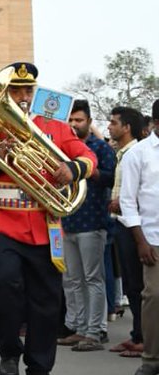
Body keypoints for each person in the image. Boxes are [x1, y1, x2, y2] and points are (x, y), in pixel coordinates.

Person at [0, 62, 97, 375]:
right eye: (17, 90)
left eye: (28, 90)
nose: (24, 97)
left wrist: (72, 168)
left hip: (44, 224)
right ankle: (9, 349)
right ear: (6, 92)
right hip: (0, 221)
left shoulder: (54, 125)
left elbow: (87, 156)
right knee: (5, 286)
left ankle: (40, 370)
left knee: (46, 299)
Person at [57, 99, 116, 351]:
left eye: (79, 120)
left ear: (89, 123)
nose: (74, 124)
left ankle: (96, 330)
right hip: (68, 221)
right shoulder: (64, 148)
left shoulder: (100, 148)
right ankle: (79, 328)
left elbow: (110, 178)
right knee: (72, 279)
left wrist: (85, 168)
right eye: (70, 120)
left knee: (93, 278)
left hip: (92, 221)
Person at [119, 121, 159, 375]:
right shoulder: (139, 153)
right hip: (153, 238)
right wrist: (140, 240)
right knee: (154, 297)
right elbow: (127, 200)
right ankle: (151, 360)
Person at [107, 106, 144, 358]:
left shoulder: (138, 153)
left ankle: (144, 338)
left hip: (136, 226)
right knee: (131, 284)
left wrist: (126, 201)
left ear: (127, 127)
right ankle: (137, 335)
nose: (109, 126)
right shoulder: (122, 153)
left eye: (114, 122)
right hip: (121, 222)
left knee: (140, 285)